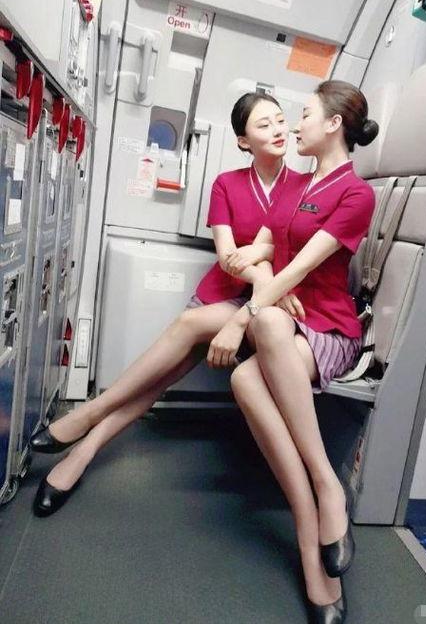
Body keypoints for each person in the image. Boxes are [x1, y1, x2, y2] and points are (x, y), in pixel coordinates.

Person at [31, 91, 302, 516]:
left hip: (266, 308)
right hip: (224, 292)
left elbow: (291, 249)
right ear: (243, 141)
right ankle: (80, 454)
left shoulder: (302, 186)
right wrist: (263, 270)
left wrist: (262, 266)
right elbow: (228, 257)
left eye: (281, 120)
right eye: (264, 125)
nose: (278, 131)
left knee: (179, 342)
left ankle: (86, 418)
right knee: (156, 383)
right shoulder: (226, 184)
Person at [210, 80, 378, 623]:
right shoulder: (298, 183)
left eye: (304, 114)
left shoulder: (356, 193)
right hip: (288, 318)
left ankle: (328, 488)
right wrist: (241, 260)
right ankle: (311, 518)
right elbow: (264, 247)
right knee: (243, 377)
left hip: (329, 327)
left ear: (333, 124)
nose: (294, 124)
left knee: (266, 329)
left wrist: (242, 316)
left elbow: (303, 267)